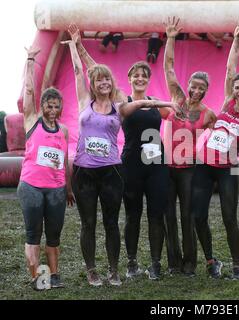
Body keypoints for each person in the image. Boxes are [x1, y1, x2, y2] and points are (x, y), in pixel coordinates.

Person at [191, 20, 239, 280]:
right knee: (198, 216)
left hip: (228, 169)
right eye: (237, 87)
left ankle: (237, 267)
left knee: (230, 218)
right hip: (205, 165)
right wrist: (236, 37)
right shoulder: (228, 103)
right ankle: (211, 261)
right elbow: (231, 68)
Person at [66, 25, 125, 287]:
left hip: (112, 171)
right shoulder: (84, 102)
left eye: (107, 79)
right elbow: (80, 70)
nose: (103, 82)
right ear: (93, 83)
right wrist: (76, 46)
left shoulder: (119, 104)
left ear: (112, 84)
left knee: (111, 223)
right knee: (88, 223)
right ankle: (91, 270)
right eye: (99, 79)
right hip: (84, 173)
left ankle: (113, 270)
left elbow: (143, 103)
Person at [163, 16, 217, 276]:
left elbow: (224, 137)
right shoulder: (177, 99)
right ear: (188, 86)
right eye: (193, 86)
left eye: (201, 88)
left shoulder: (208, 114)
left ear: (206, 90)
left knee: (187, 215)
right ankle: (173, 263)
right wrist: (171, 37)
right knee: (168, 216)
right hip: (166, 168)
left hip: (189, 170)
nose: (196, 90)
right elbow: (169, 68)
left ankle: (190, 263)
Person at [17, 46, 74, 290]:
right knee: (34, 234)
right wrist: (30, 61)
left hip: (57, 190)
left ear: (60, 107)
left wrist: (68, 188)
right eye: (48, 106)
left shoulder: (63, 130)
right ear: (42, 106)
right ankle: (38, 278)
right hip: (31, 187)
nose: (52, 110)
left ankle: (54, 275)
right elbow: (29, 91)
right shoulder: (32, 120)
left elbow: (64, 161)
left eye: (56, 106)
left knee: (53, 235)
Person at [121, 61, 180, 280]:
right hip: (131, 165)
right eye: (136, 75)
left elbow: (176, 112)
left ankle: (156, 264)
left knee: (156, 215)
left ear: (148, 79)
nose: (140, 78)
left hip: (156, 164)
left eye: (144, 75)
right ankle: (132, 263)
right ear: (129, 78)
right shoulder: (123, 101)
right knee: (132, 215)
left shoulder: (156, 103)